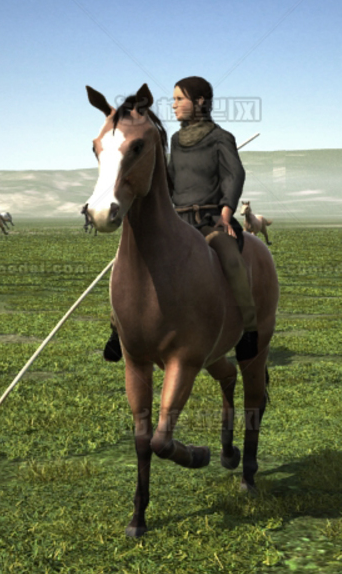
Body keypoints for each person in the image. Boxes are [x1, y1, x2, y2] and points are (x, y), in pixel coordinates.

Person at [104, 75, 260, 363]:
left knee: (232, 260)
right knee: (131, 263)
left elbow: (234, 175)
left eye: (179, 99)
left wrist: (226, 211)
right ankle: (118, 329)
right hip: (178, 221)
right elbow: (171, 180)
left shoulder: (221, 138)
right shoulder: (175, 140)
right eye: (173, 99)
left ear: (199, 102)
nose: (173, 105)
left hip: (210, 220)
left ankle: (249, 329)